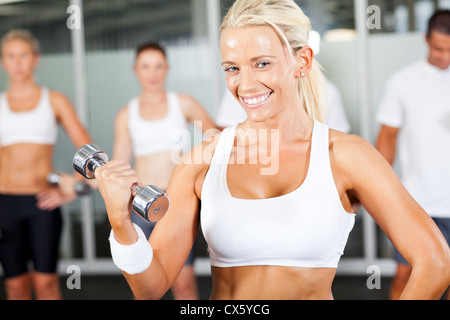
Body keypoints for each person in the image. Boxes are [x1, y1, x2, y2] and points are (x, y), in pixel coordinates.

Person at [96, 0, 450, 300]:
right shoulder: (201, 160)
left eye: (262, 63)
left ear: (303, 61)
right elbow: (150, 288)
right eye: (232, 68)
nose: (246, 84)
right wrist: (121, 223)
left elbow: (435, 262)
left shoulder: (346, 155)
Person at [112, 42, 218, 300]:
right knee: (146, 291)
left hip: (176, 204)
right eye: (146, 66)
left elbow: (217, 140)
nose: (152, 73)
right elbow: (117, 166)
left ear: (167, 69)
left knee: (183, 285)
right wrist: (71, 185)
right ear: (136, 70)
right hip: (140, 208)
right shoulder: (127, 114)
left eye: (158, 66)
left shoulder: (183, 103)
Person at [0, 29, 92, 299]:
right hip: (4, 206)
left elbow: (91, 156)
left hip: (42, 203)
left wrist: (70, 190)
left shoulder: (55, 101)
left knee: (45, 283)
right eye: (10, 56)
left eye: (23, 55)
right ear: (4, 61)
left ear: (36, 59)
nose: (17, 62)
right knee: (15, 285)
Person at [375, 9, 450, 300]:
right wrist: (375, 190)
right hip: (417, 202)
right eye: (439, 48)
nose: (445, 56)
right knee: (408, 278)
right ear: (426, 39)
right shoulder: (402, 81)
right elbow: (388, 137)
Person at [216, 79, 351, 133]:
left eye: (264, 63)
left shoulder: (327, 91)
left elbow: (336, 143)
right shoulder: (242, 88)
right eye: (232, 68)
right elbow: (226, 137)